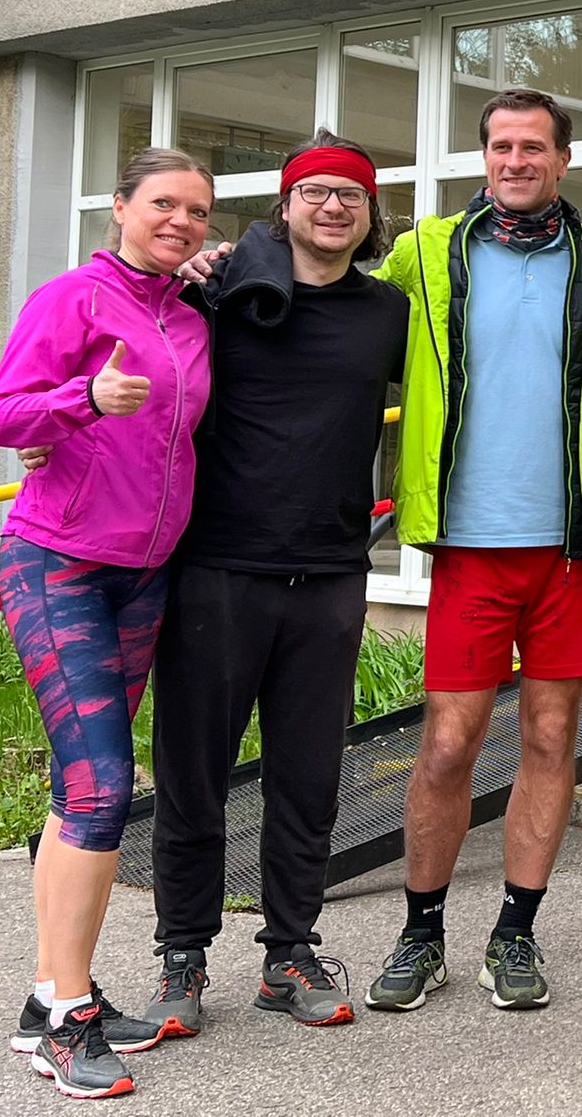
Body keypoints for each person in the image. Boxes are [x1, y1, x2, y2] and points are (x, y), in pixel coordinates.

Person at [362, 90, 582, 1014]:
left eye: (533, 146)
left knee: (550, 737)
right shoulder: (424, 252)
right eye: (501, 146)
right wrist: (237, 271)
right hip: (469, 543)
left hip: (573, 550)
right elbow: (337, 315)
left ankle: (515, 933)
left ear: (562, 160)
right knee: (447, 745)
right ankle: (422, 934)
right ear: (485, 158)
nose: (516, 160)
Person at [130, 133, 405, 1034]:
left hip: (329, 572)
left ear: (370, 216)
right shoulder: (215, 291)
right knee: (193, 773)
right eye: (315, 192)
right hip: (217, 567)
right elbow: (133, 360)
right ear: (284, 207)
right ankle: (182, 955)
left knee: (308, 776)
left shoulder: (387, 312)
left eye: (351, 196)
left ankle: (290, 952)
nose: (333, 207)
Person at [0, 148, 217, 1099]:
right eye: (163, 203)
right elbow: (2, 415)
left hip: (143, 575)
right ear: (120, 207)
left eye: (196, 210)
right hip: (59, 563)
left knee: (75, 786)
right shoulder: (71, 299)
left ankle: (48, 997)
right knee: (102, 787)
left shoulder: (190, 316)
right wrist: (82, 401)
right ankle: (68, 1019)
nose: (180, 221)